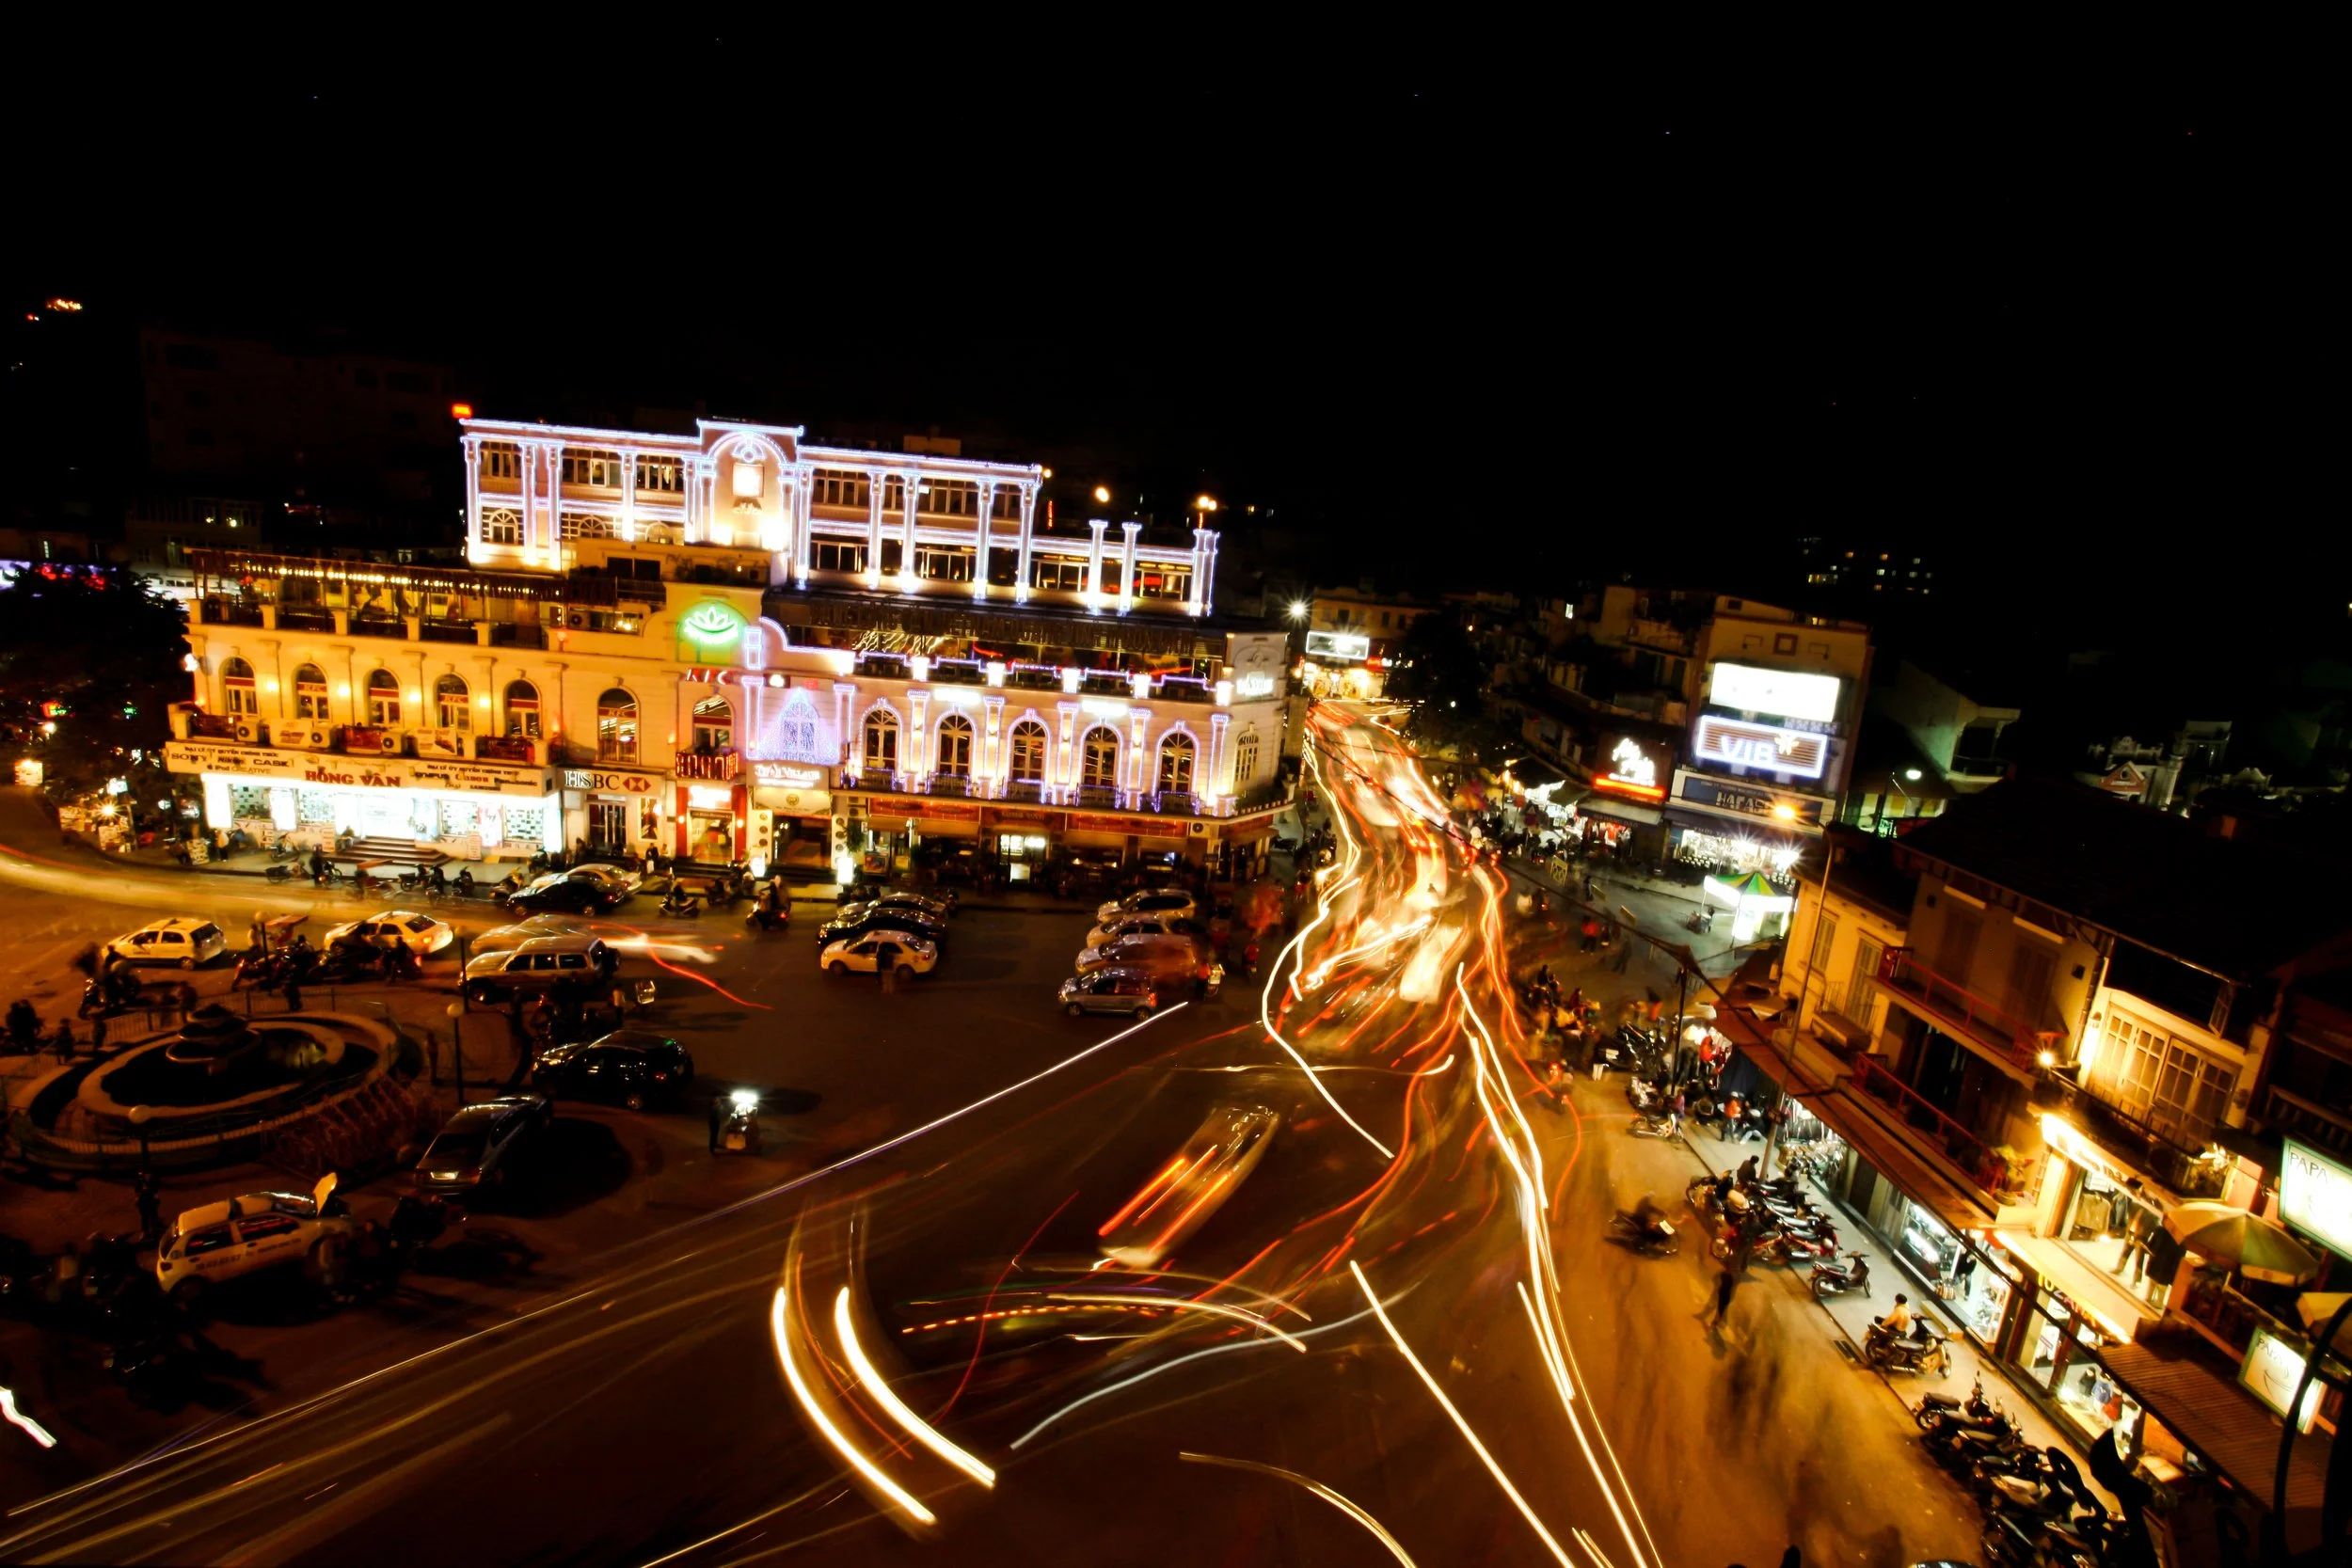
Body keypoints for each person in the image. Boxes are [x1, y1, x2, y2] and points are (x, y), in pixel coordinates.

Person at [134, 1169, 164, 1244]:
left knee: (153, 1215)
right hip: (143, 1200)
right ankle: (146, 1231)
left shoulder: (153, 1180)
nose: (147, 1175)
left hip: (151, 1199)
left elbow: (155, 1189)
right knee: (144, 1217)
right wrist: (137, 1197)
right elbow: (137, 1190)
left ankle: (154, 1229)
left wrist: (155, 1196)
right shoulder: (141, 1180)